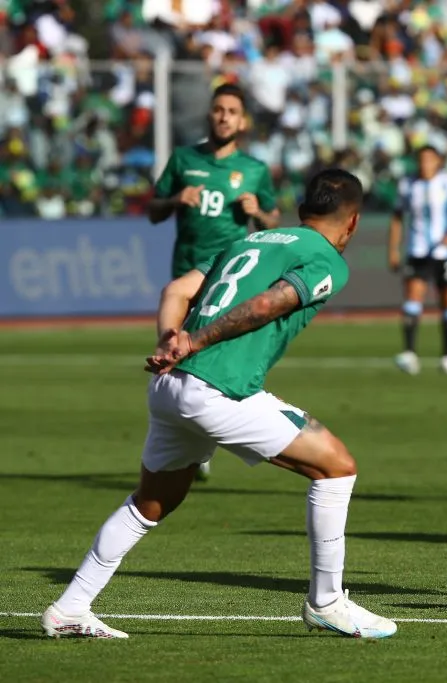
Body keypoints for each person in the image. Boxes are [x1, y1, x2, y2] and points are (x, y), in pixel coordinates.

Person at [41, 169, 397, 640]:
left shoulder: (252, 241)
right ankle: (327, 601)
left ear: (299, 210)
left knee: (151, 502)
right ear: (352, 222)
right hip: (218, 390)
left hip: (171, 389)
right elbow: (271, 304)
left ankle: (71, 606)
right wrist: (196, 341)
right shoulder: (326, 258)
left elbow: (175, 291)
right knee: (337, 467)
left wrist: (172, 342)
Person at [148, 82, 280, 482]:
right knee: (177, 350)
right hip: (187, 270)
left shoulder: (255, 170)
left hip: (231, 276)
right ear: (210, 114)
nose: (224, 117)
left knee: (217, 356)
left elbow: (273, 222)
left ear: (243, 121)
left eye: (232, 111)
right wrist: (174, 200)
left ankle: (202, 438)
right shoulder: (184, 159)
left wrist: (258, 211)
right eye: (218, 109)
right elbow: (153, 210)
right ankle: (189, 442)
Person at [388, 145, 447, 377]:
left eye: (429, 160)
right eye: (421, 160)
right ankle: (409, 353)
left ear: (438, 162)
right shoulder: (407, 184)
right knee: (412, 300)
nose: (425, 164)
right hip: (418, 251)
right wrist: (393, 250)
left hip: (446, 254)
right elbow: (396, 217)